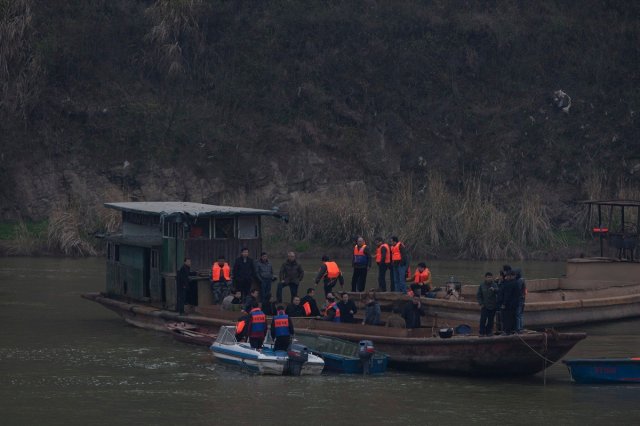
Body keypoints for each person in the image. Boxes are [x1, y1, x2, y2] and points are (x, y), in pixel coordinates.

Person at [497, 269, 520, 334]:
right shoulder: (516, 283)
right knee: (512, 318)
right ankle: (512, 330)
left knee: (506, 318)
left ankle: (506, 332)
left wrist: (504, 304)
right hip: (513, 304)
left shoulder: (510, 284)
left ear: (511, 276)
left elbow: (507, 295)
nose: (506, 277)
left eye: (507, 276)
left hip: (509, 305)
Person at [477, 272, 499, 336]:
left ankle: (489, 332)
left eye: (491, 277)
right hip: (484, 306)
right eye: (488, 277)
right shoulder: (482, 285)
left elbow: (499, 291)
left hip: (493, 306)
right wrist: (481, 303)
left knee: (491, 320)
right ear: (485, 278)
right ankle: (481, 332)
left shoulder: (494, 284)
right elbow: (479, 295)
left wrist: (494, 290)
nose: (489, 279)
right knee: (483, 320)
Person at [515, 268, 527, 333]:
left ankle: (518, 328)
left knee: (518, 315)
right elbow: (525, 291)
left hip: (519, 300)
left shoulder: (519, 281)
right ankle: (521, 327)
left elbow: (518, 291)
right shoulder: (523, 280)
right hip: (523, 300)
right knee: (521, 314)